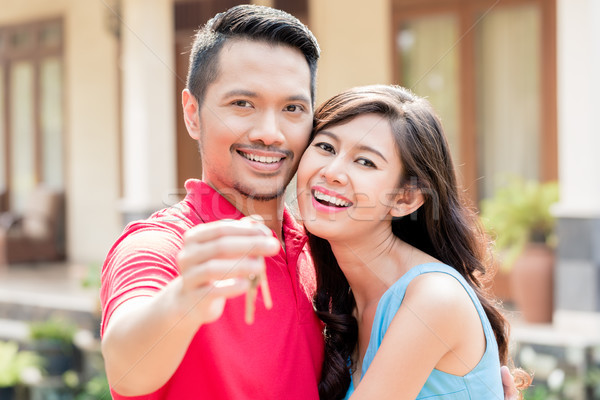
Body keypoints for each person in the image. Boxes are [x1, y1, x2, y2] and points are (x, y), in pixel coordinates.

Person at [100, 4, 520, 400]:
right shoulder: (161, 246)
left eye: (293, 108)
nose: (270, 132)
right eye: (242, 104)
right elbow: (126, 365)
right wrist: (184, 297)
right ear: (193, 114)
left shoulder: (325, 256)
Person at [296, 85, 530, 399]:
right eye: (325, 147)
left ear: (405, 198)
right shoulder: (341, 296)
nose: (332, 171)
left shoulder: (433, 298)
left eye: (365, 162)